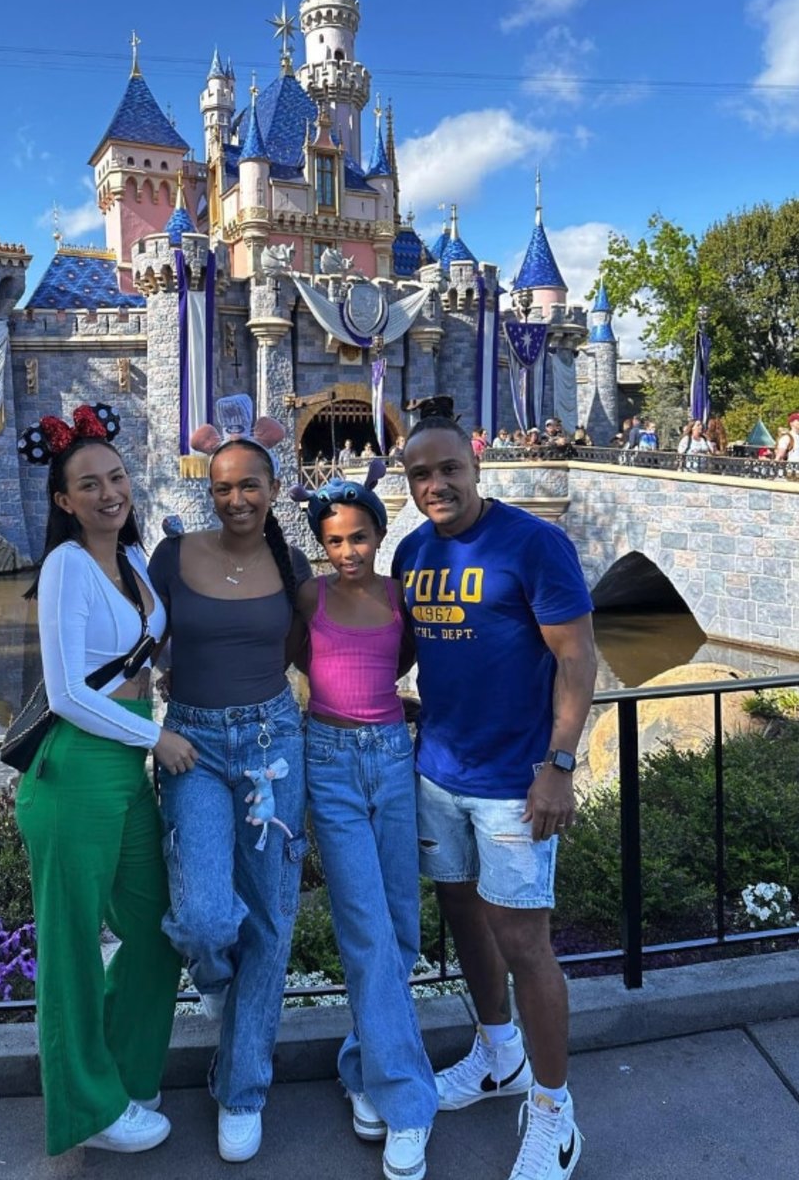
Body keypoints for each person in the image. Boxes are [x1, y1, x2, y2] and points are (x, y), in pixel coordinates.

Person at [394, 399, 596, 1180]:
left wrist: (560, 763)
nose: (436, 483)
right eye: (421, 473)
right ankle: (497, 1051)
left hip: (516, 781)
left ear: (476, 467)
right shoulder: (413, 553)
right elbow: (402, 647)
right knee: (464, 916)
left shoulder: (533, 544)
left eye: (449, 468)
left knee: (523, 940)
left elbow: (578, 660)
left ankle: (554, 1110)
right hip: (438, 771)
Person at [14, 403, 192, 1158]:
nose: (108, 492)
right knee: (71, 946)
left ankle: (121, 1068)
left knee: (157, 927)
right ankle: (88, 1104)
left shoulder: (138, 560)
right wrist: (158, 734)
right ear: (63, 500)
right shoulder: (64, 567)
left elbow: (156, 654)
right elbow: (66, 692)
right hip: (74, 768)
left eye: (115, 476)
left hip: (124, 767)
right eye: (88, 484)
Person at [148, 395, 311, 1165]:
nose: (237, 498)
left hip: (275, 740)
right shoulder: (172, 558)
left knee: (272, 924)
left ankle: (241, 1084)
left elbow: (325, 648)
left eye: (251, 485)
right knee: (210, 919)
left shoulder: (291, 563)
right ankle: (218, 983)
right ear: (207, 492)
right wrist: (152, 723)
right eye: (223, 487)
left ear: (274, 490)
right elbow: (133, 646)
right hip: (194, 746)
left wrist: (390, 701)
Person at [292, 462, 436, 1180]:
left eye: (357, 537)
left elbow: (401, 661)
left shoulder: (397, 595)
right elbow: (297, 659)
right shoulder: (308, 596)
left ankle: (362, 1062)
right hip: (329, 757)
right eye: (333, 539)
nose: (346, 550)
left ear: (379, 534)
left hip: (390, 754)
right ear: (321, 544)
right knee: (365, 926)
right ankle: (408, 1100)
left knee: (401, 925)